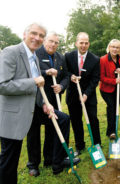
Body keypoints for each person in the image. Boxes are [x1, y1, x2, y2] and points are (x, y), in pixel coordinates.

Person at [0, 23, 54, 183]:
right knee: (9, 160)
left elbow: (36, 88)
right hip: (11, 117)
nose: (37, 38)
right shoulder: (10, 52)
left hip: (29, 112)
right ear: (24, 34)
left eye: (41, 36)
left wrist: (44, 103)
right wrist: (32, 81)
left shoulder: (34, 58)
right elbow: (0, 85)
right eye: (34, 33)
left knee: (14, 157)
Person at [26, 32, 79, 176]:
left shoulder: (60, 57)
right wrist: (46, 72)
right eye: (51, 41)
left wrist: (61, 86)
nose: (53, 44)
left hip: (53, 100)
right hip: (35, 101)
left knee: (53, 129)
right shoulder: (35, 54)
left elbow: (66, 76)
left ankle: (50, 159)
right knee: (33, 133)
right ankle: (33, 165)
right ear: (44, 41)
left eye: (56, 42)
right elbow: (30, 73)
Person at [65, 32, 101, 155]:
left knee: (93, 119)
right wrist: (71, 76)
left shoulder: (95, 59)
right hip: (73, 95)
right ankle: (79, 146)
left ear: (88, 44)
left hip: (88, 95)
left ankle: (97, 144)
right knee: (76, 121)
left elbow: (95, 79)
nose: (83, 45)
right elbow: (65, 72)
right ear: (76, 43)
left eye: (86, 43)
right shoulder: (68, 56)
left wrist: (86, 94)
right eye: (81, 43)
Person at [99, 39, 120, 140]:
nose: (115, 49)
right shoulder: (103, 59)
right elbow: (101, 77)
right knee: (111, 107)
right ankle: (111, 132)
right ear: (109, 47)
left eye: (117, 47)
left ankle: (113, 129)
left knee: (116, 108)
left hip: (118, 89)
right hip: (106, 89)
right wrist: (114, 81)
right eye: (113, 47)